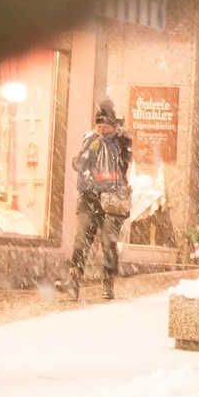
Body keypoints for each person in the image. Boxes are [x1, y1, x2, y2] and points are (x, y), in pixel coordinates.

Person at [63, 101, 133, 302]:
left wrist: (113, 140)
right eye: (99, 126)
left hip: (111, 200)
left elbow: (123, 164)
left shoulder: (120, 142)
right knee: (80, 240)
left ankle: (108, 281)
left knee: (108, 243)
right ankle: (73, 281)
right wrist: (91, 146)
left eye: (106, 126)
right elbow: (78, 164)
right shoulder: (90, 140)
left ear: (113, 126)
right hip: (89, 197)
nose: (101, 130)